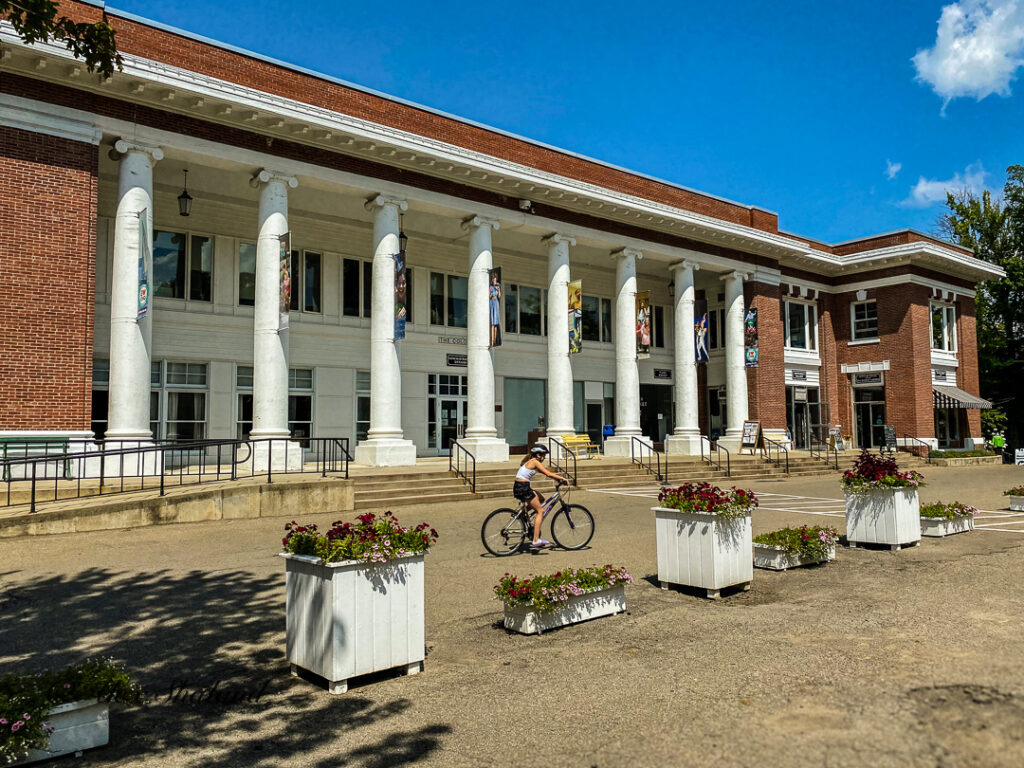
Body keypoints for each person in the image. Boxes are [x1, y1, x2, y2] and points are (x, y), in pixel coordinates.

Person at [513, 444, 570, 549]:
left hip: (519, 487)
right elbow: (548, 473)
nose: (544, 458)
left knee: (541, 498)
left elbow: (545, 473)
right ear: (538, 455)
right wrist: (562, 478)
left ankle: (522, 513)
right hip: (523, 488)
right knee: (540, 511)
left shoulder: (529, 461)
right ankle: (536, 540)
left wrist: (557, 480)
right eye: (544, 455)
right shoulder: (535, 462)